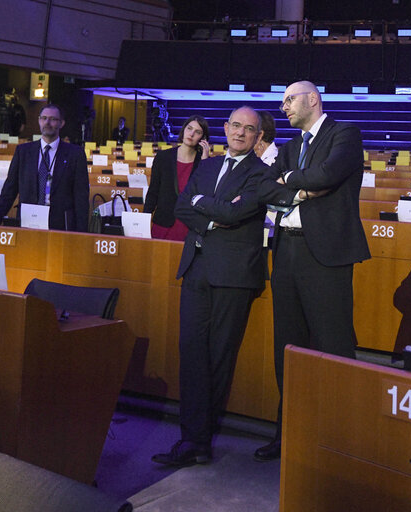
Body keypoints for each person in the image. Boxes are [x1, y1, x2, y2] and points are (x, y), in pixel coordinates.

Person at [254, 80, 370, 462]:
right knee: (287, 348)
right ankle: (288, 433)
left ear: (312, 99)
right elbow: (266, 187)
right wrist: (299, 188)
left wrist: (291, 181)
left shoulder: (345, 135)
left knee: (332, 346)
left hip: (327, 256)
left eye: (289, 100)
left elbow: (326, 176)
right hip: (286, 251)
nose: (284, 107)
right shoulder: (289, 147)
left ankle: (338, 439)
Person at [151, 106, 267, 467]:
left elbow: (236, 214)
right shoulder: (208, 165)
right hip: (197, 268)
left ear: (257, 137)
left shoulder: (261, 174)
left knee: (218, 357)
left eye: (249, 129)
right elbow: (182, 206)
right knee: (191, 353)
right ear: (225, 127)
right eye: (235, 126)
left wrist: (206, 207)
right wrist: (210, 214)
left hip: (233, 276)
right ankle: (192, 438)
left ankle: (200, 441)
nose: (240, 133)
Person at [0, 104, 89, 231]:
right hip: (27, 222)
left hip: (60, 225)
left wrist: (82, 233)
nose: (47, 122)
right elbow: (10, 189)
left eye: (53, 119)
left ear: (61, 123)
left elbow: (81, 197)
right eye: (44, 118)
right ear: (39, 120)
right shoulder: (23, 151)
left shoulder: (75, 154)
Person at [144, 115, 210, 241]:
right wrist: (144, 220)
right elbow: (153, 192)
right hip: (163, 222)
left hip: (189, 226)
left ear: (203, 138)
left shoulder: (204, 162)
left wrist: (204, 161)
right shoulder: (163, 157)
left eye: (197, 132)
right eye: (189, 128)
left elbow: (205, 195)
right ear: (183, 129)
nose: (191, 134)